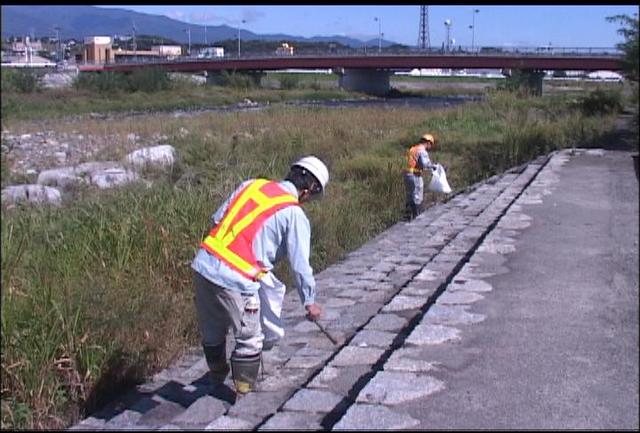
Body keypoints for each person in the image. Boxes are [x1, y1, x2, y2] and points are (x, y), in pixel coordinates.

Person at [191, 155, 329, 395]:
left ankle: (215, 380)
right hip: (237, 276)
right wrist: (310, 302)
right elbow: (300, 265)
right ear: (309, 189)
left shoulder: (251, 185)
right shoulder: (294, 214)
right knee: (250, 338)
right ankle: (242, 396)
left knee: (213, 329)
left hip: (204, 264)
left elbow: (217, 219)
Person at [403, 133, 438, 220]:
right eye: (431, 144)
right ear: (428, 142)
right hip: (415, 175)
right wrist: (434, 166)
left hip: (407, 175)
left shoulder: (413, 148)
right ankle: (417, 217)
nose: (431, 147)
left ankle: (408, 216)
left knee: (410, 196)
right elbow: (424, 163)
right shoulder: (422, 151)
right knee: (417, 196)